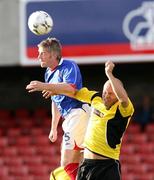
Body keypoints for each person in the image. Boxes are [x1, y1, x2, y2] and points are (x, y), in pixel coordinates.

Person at [26, 60, 134, 180]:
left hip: (107, 166)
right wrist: (55, 90)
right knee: (61, 171)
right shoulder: (96, 98)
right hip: (87, 165)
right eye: (104, 92)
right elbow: (75, 92)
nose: (106, 96)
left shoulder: (123, 109)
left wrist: (109, 74)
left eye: (110, 94)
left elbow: (123, 98)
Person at [26, 37, 91, 177]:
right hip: (70, 117)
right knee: (78, 161)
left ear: (53, 55)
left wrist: (43, 85)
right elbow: (55, 100)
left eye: (42, 53)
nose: (38, 56)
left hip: (78, 113)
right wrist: (53, 127)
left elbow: (71, 88)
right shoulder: (49, 73)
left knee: (66, 162)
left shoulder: (69, 66)